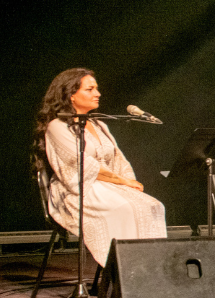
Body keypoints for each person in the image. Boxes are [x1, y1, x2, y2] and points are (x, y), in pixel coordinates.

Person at [33, 68, 167, 268]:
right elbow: (83, 165)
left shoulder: (98, 125)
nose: (98, 93)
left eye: (96, 88)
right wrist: (123, 182)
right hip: (77, 188)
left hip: (108, 185)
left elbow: (119, 159)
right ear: (71, 95)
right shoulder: (58, 126)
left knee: (153, 206)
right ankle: (123, 270)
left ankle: (151, 269)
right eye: (90, 89)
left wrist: (129, 183)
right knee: (124, 208)